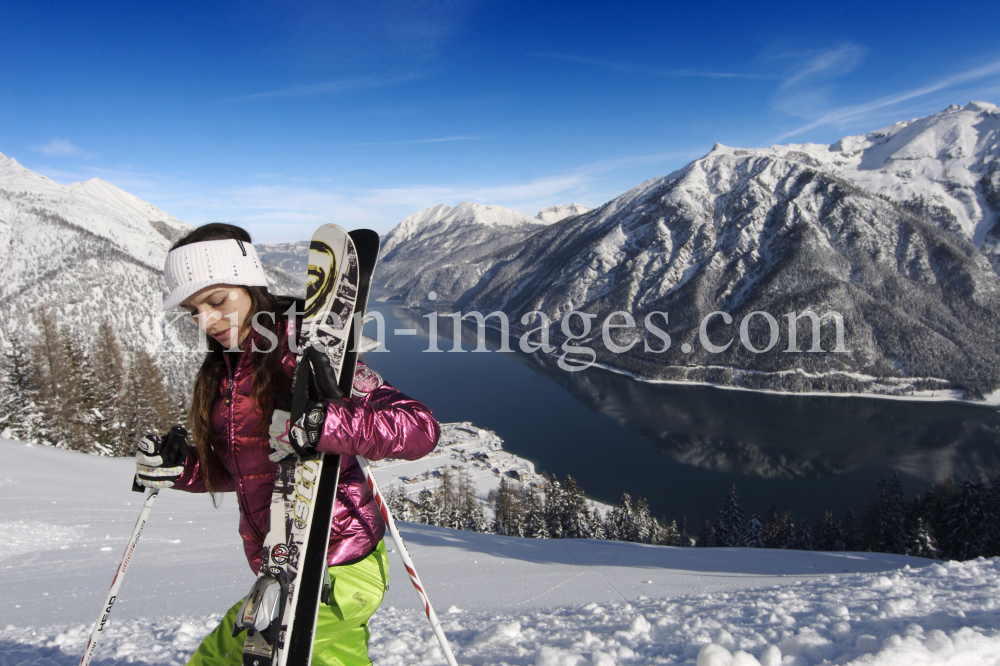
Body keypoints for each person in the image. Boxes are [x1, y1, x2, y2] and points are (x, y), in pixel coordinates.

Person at [134, 223, 439, 666]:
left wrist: (329, 422)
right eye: (192, 310)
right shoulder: (222, 372)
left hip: (337, 566)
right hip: (282, 568)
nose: (206, 321)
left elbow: (419, 427)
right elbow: (244, 471)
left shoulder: (307, 348)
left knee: (223, 660)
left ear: (250, 283)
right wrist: (185, 468)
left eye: (217, 301)